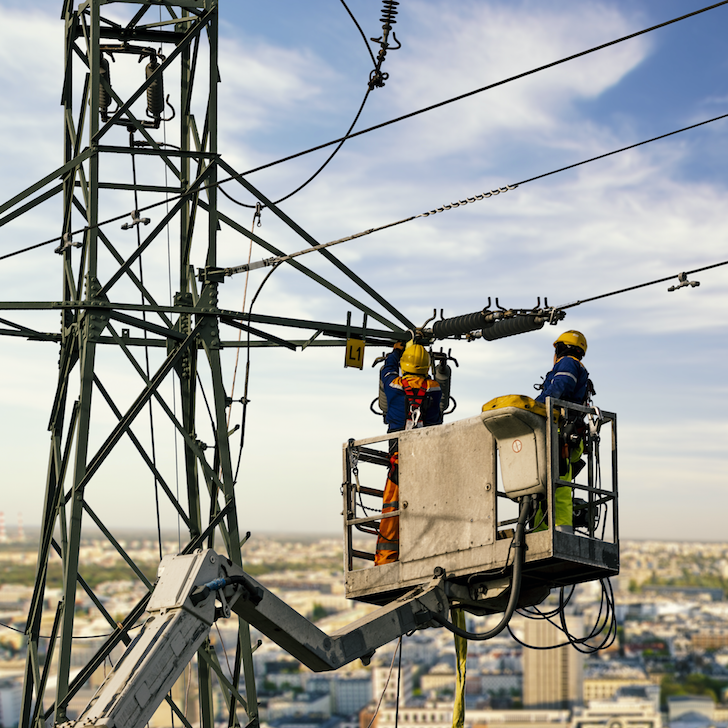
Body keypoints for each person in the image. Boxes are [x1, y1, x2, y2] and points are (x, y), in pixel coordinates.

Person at [375, 341, 442, 565]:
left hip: (399, 458)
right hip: (425, 457)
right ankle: (423, 558)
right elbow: (436, 419)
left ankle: (386, 561)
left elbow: (387, 369)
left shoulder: (394, 385)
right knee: (424, 507)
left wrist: (396, 352)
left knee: (392, 508)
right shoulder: (434, 388)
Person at [534, 330, 593, 532]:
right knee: (543, 486)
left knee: (555, 487)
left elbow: (560, 387)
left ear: (561, 347)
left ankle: (558, 533)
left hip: (560, 435)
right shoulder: (579, 367)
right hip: (564, 434)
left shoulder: (567, 362)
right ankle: (542, 531)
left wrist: (535, 407)